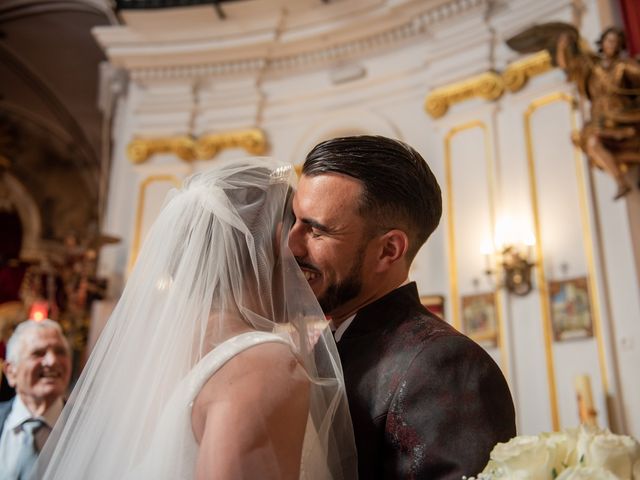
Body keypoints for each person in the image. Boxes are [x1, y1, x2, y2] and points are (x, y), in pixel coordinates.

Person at [36, 159, 357, 479]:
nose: (306, 254)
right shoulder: (264, 364)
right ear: (275, 241)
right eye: (303, 231)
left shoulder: (150, 358)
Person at [288, 135, 517, 479]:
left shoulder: (445, 366)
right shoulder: (329, 345)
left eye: (315, 230)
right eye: (295, 221)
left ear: (388, 251)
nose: (291, 245)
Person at [556, 26, 640, 200]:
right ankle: (620, 181)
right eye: (609, 41)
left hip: (620, 113)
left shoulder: (624, 66)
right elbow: (568, 66)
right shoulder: (592, 65)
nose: (612, 45)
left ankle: (626, 133)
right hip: (599, 116)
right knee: (592, 144)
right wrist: (562, 46)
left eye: (616, 42)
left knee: (596, 138)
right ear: (602, 42)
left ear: (621, 46)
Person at [0, 319, 71, 480]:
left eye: (60, 351)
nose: (52, 361)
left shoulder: (91, 427)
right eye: (38, 353)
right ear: (11, 372)